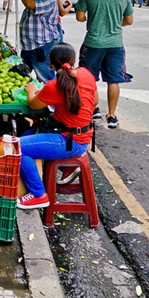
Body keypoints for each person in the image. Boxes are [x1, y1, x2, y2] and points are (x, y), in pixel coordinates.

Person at [16, 44, 97, 209]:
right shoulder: (86, 74)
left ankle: (39, 195)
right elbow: (95, 102)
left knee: (16, 147)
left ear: (51, 64)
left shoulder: (54, 86)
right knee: (27, 134)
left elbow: (34, 104)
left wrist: (31, 90)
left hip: (70, 141)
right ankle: (65, 170)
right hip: (82, 136)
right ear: (73, 60)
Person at [75, 0, 134, 130]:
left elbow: (80, 17)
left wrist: (93, 18)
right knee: (113, 79)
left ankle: (94, 110)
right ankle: (112, 116)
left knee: (89, 78)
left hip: (93, 43)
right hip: (116, 44)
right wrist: (115, 24)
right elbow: (129, 21)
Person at [12, 0, 62, 82]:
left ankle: (49, 99)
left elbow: (30, 4)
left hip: (41, 48)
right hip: (28, 47)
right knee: (20, 77)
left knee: (46, 80)